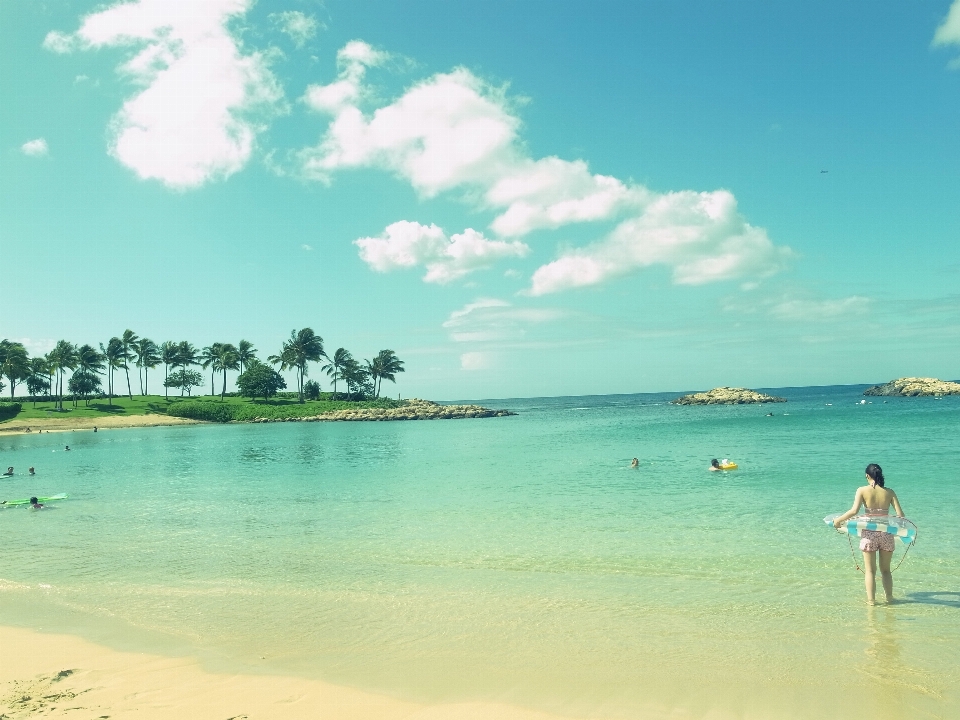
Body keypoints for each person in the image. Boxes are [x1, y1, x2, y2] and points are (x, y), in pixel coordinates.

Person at [833, 463, 905, 605]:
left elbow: (854, 511)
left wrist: (838, 521)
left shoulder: (862, 490)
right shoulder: (890, 492)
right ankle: (889, 598)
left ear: (867, 476)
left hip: (869, 535)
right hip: (886, 534)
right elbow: (901, 516)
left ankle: (871, 602)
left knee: (870, 571)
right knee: (886, 571)